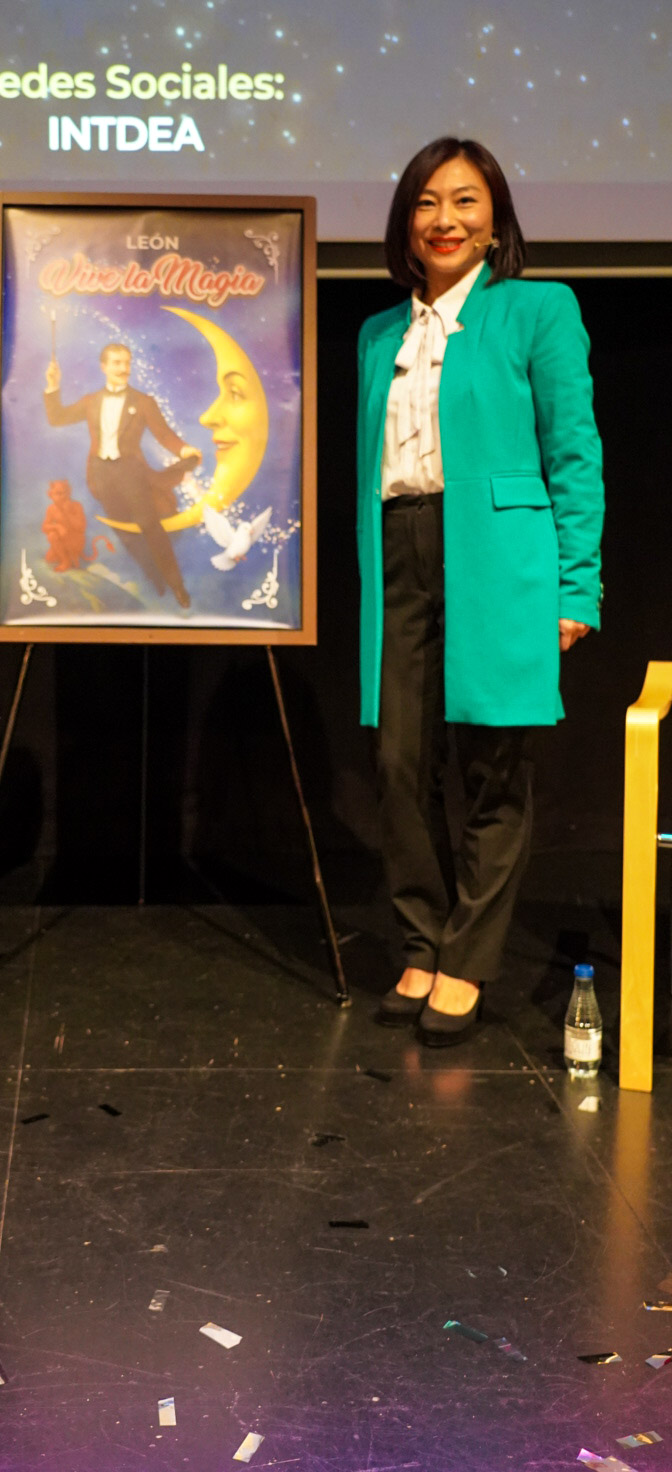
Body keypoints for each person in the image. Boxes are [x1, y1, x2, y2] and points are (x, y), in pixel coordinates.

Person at [356, 137, 603, 1046]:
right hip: (400, 549)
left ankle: (465, 961)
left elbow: (573, 453)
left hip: (499, 556)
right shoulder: (378, 335)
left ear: (495, 221)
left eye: (464, 200)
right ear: (405, 224)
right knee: (399, 764)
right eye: (427, 202)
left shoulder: (539, 309)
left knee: (494, 763)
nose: (445, 219)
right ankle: (422, 940)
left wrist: (577, 585)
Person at [43, 343, 200, 607]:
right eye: (117, 363)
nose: (124, 368)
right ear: (104, 367)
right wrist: (53, 385)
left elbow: (163, 434)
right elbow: (57, 418)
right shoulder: (91, 401)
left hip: (132, 473)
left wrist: (184, 449)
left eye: (127, 363)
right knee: (124, 531)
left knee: (151, 527)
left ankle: (177, 586)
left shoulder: (143, 402)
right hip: (101, 474)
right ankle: (154, 578)